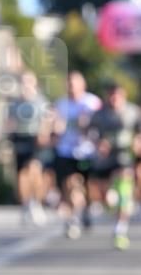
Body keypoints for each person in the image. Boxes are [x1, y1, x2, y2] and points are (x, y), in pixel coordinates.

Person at [89, 83, 140, 250]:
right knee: (106, 197)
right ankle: (113, 206)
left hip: (124, 155)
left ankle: (120, 228)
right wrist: (98, 143)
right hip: (105, 158)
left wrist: (137, 143)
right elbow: (90, 132)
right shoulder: (99, 114)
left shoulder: (133, 111)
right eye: (111, 96)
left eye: (117, 96)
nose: (114, 99)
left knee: (124, 187)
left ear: (123, 96)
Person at [52, 72, 101, 239]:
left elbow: (100, 125)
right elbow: (55, 126)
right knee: (71, 184)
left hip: (86, 151)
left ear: (82, 85)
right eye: (69, 84)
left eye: (74, 84)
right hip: (66, 151)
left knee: (86, 186)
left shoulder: (92, 102)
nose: (71, 88)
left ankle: (85, 209)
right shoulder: (61, 104)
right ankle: (73, 219)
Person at [5, 70, 51, 225]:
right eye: (23, 82)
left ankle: (37, 203)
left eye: (28, 81)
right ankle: (26, 204)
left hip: (35, 138)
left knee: (34, 170)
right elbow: (9, 121)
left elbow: (47, 118)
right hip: (20, 137)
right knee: (22, 175)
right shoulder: (15, 103)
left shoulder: (40, 100)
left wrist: (44, 133)